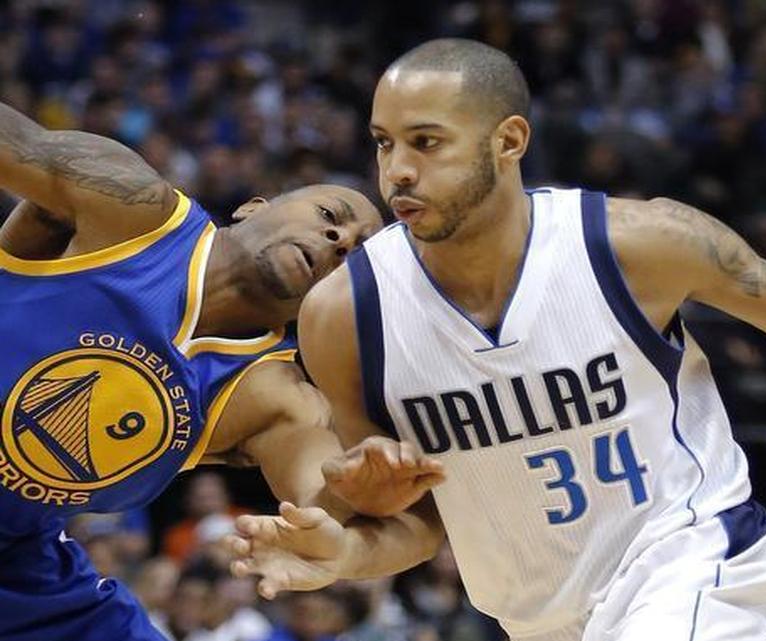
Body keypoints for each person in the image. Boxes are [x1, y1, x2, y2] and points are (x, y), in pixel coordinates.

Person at [227, 39, 766, 641]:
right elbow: (414, 528)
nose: (398, 173)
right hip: (538, 618)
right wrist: (345, 541)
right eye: (384, 145)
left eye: (427, 143)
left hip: (697, 565)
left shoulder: (638, 243)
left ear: (509, 141)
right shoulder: (346, 314)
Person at [0, 99, 443, 641]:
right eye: (330, 217)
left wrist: (361, 493)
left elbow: (320, 498)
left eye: (354, 257)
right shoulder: (133, 209)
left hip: (16, 558)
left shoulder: (275, 397)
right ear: (253, 207)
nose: (338, 241)